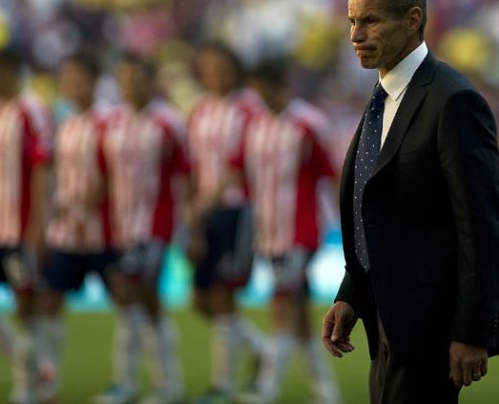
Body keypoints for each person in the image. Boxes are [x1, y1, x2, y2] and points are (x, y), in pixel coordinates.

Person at [320, 0, 499, 404]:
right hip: (386, 315)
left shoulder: (453, 100)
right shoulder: (383, 94)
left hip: (429, 324)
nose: (356, 34)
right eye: (352, 21)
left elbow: (480, 227)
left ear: (413, 19)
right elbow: (382, 210)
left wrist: (471, 331)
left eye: (370, 21)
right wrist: (352, 292)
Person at [234, 58, 342, 404]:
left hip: (299, 231)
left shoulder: (307, 124)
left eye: (262, 87)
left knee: (280, 305)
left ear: (280, 85)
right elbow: (240, 172)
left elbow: (332, 173)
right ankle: (325, 391)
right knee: (297, 313)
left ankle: (266, 389)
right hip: (267, 231)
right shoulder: (254, 124)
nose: (258, 94)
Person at [95, 52, 188, 404]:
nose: (130, 84)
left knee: (129, 292)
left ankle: (129, 381)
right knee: (145, 300)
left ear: (151, 81)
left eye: (137, 77)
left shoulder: (167, 123)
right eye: (124, 78)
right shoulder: (110, 123)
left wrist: (184, 224)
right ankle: (167, 383)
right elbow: (104, 176)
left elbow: (184, 174)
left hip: (154, 224)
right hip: (119, 226)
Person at [0, 47, 54, 404]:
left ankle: (28, 389)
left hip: (20, 230)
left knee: (26, 309)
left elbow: (41, 169)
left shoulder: (32, 110)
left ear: (6, 72)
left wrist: (37, 227)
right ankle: (39, 369)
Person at [185, 41, 267, 402]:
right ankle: (263, 349)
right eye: (208, 68)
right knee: (201, 299)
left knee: (223, 293)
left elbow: (249, 163)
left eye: (221, 67)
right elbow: (191, 166)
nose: (215, 75)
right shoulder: (199, 111)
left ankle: (222, 384)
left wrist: (212, 197)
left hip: (237, 210)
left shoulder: (250, 110)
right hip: (205, 211)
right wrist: (192, 210)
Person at [35, 52, 116, 402]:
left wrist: (87, 205)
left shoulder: (109, 122)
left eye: (76, 77)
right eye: (65, 78)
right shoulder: (63, 124)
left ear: (93, 81)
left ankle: (136, 380)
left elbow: (113, 175)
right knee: (50, 302)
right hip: (66, 231)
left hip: (104, 232)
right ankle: (48, 381)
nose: (69, 85)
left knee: (130, 302)